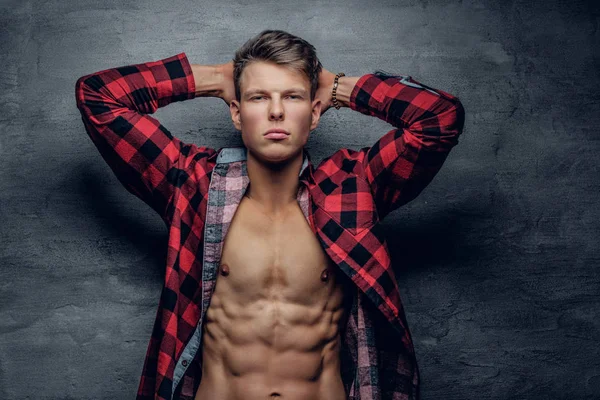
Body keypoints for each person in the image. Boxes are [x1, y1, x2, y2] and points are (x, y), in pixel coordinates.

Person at [75, 29, 465, 400]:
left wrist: (335, 86)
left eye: (292, 97)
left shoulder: (355, 187)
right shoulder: (192, 185)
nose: (276, 112)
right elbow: (98, 97)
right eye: (259, 97)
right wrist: (216, 77)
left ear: (315, 113)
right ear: (236, 112)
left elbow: (439, 119)